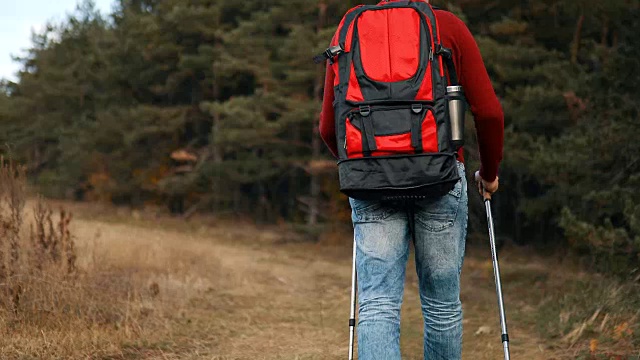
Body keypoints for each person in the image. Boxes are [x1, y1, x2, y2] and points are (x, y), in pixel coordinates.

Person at [318, 0, 504, 359]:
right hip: (441, 178)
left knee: (377, 304)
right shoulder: (446, 26)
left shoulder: (349, 27)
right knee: (442, 305)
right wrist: (490, 173)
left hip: (370, 182)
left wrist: (362, 163)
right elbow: (490, 113)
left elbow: (328, 127)